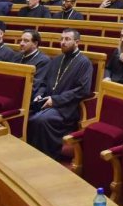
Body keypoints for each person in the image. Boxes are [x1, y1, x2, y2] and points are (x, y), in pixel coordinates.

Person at [27, 29, 95, 158]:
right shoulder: (57, 60)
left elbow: (83, 90)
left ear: (77, 42)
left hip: (67, 107)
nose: (63, 42)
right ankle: (32, 153)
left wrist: (55, 100)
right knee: (28, 115)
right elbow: (43, 82)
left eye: (67, 39)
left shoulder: (84, 63)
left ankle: (47, 155)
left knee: (40, 120)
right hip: (47, 102)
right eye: (61, 39)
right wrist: (39, 94)